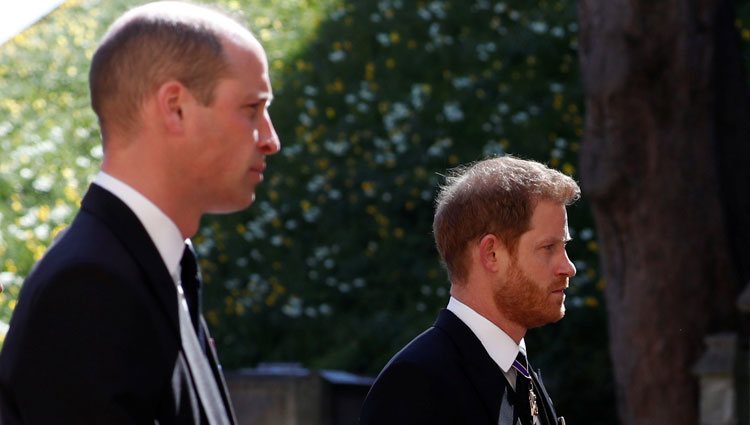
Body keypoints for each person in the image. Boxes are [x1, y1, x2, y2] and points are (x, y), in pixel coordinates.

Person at [0, 2, 280, 424]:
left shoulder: (153, 265)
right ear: (175, 107)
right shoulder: (88, 288)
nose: (270, 139)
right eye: (252, 109)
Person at [360, 156, 579, 425]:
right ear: (492, 254)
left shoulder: (522, 376)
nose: (568, 268)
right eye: (548, 248)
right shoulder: (416, 383)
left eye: (564, 247)